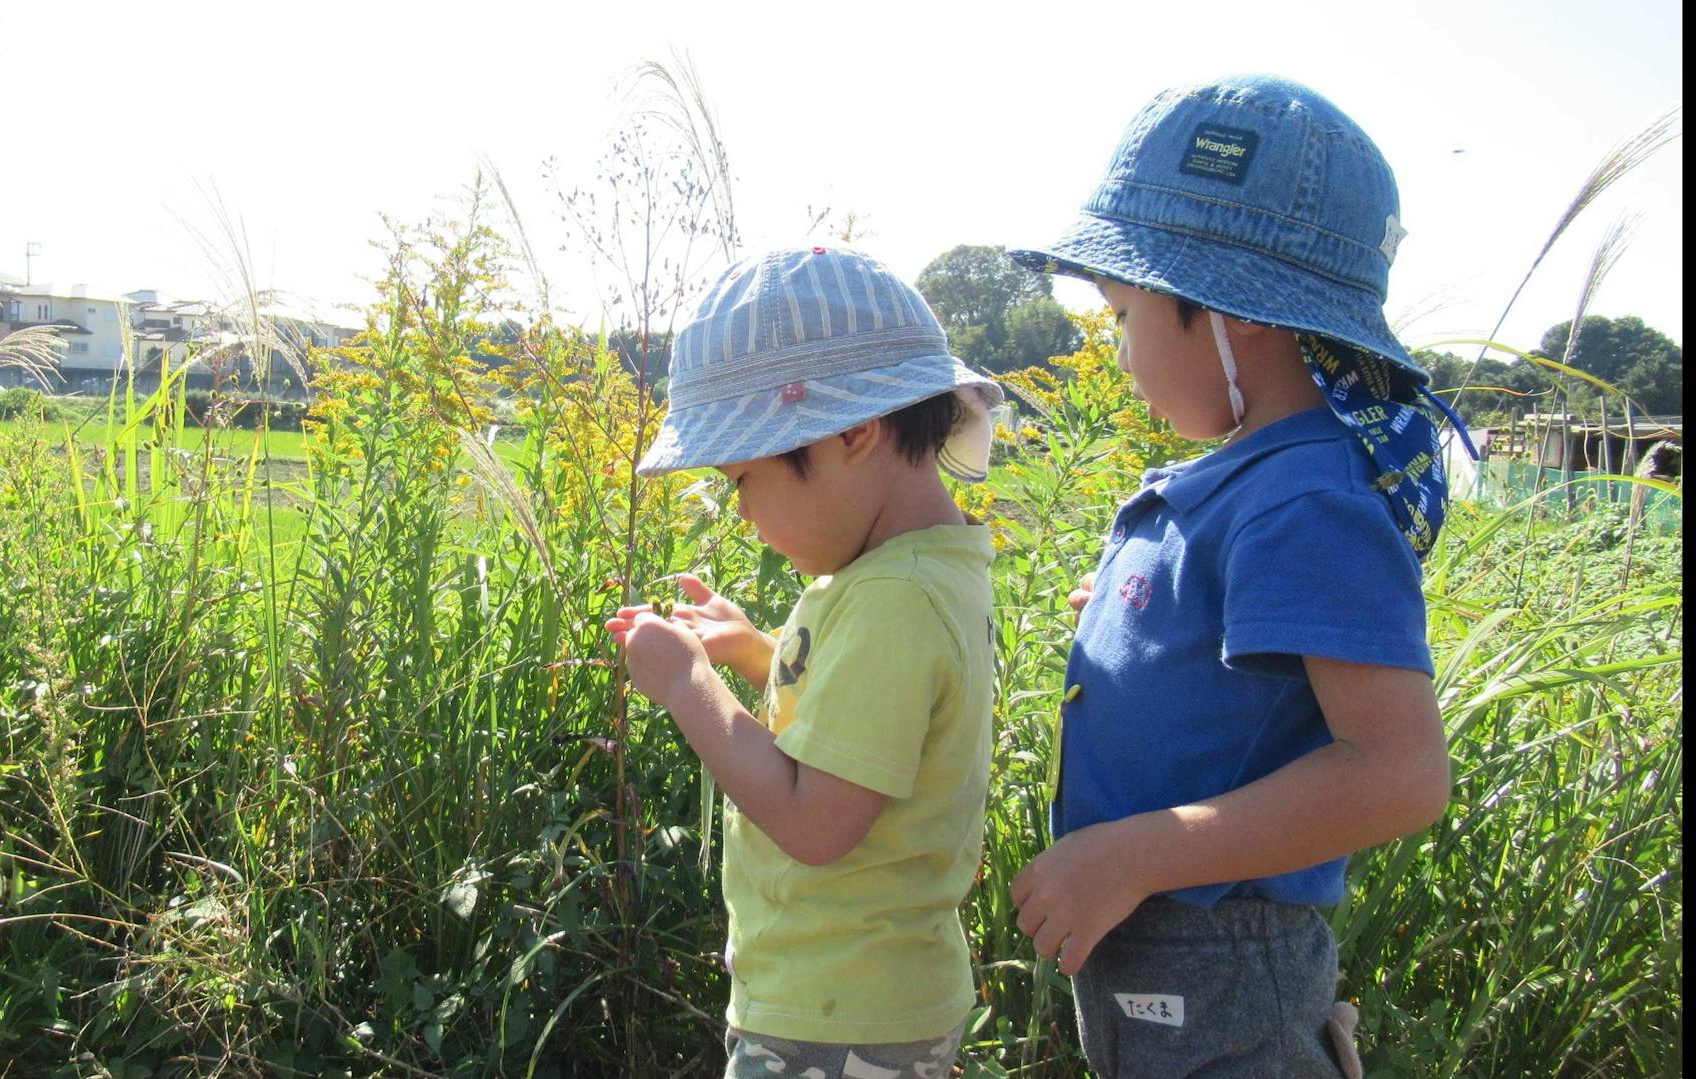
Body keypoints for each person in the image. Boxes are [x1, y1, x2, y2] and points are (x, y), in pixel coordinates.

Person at [1005, 74, 1476, 1077]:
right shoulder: (1256, 480)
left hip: (1219, 964)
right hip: (1170, 962)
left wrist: (1134, 853)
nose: (1119, 348)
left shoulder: (1303, 496)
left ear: (1233, 313)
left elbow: (1397, 771)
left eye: (1125, 312)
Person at [605, 245, 1002, 1078]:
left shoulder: (894, 600)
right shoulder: (914, 574)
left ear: (853, 431)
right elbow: (863, 729)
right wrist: (756, 651)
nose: (744, 511)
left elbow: (816, 819)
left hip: (837, 1015)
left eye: (745, 479)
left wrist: (689, 686)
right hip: (859, 1003)